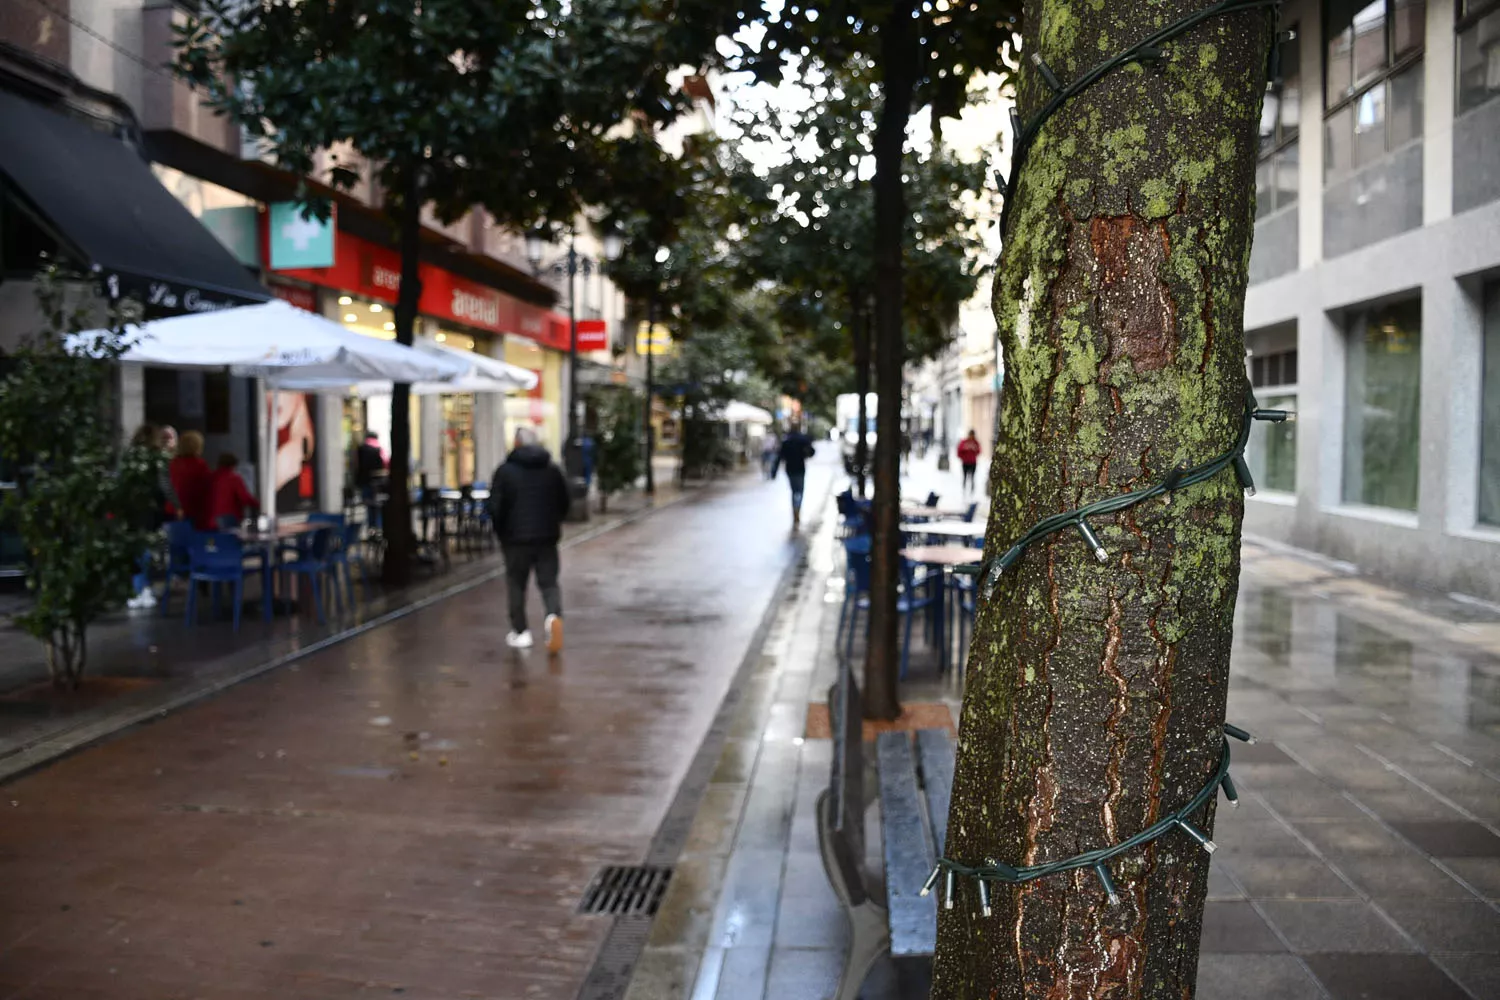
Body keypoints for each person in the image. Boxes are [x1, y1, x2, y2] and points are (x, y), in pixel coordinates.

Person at [490, 427, 571, 653]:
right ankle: (553, 616)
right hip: (546, 537)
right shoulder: (552, 470)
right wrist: (554, 522)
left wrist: (501, 532)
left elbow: (496, 507)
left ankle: (520, 632)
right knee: (549, 583)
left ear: (516, 444)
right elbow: (564, 502)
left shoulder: (505, 472)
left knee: (516, 584)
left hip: (515, 539)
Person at [771, 420, 815, 528]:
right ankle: (797, 510)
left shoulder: (786, 441)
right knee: (799, 491)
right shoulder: (802, 440)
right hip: (799, 469)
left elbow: (779, 457)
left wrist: (774, 472)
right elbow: (812, 452)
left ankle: (795, 511)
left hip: (790, 469)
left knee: (794, 491)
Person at [169, 430, 213, 530]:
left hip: (172, 509)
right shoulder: (199, 465)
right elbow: (207, 488)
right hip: (192, 510)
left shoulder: (173, 464)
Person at [208, 453, 259, 528]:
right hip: (229, 520)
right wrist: (259, 504)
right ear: (233, 465)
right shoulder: (234, 478)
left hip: (212, 521)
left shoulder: (211, 477)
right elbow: (244, 498)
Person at [957, 429, 982, 493]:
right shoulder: (964, 442)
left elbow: (979, 451)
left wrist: (974, 449)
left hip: (973, 462)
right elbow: (959, 451)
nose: (971, 436)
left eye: (972, 435)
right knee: (965, 477)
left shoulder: (976, 442)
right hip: (965, 462)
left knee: (972, 477)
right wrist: (965, 449)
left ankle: (972, 491)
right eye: (970, 435)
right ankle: (964, 490)